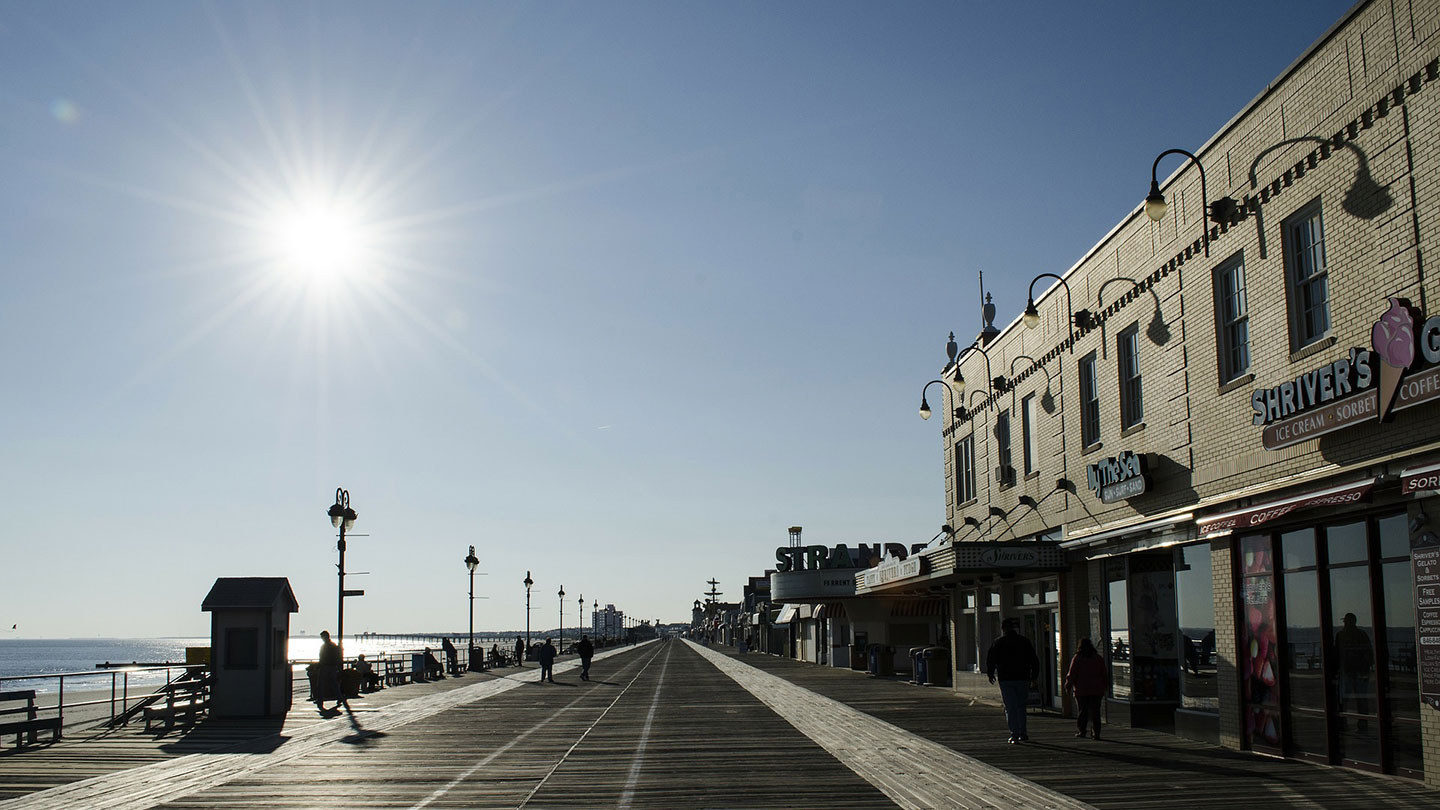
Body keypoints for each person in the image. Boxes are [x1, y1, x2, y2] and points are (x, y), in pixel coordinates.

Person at [986, 617, 1039, 743]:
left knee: (1010, 707)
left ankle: (1014, 733)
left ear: (1003, 629)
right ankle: (1023, 732)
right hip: (1023, 677)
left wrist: (990, 674)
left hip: (1006, 678)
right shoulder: (1024, 641)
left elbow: (991, 660)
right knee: (1021, 706)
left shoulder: (998, 643)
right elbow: (1034, 660)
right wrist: (1034, 676)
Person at [1334, 612, 1374, 727]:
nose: (1345, 623)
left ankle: (1345, 722)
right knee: (1359, 699)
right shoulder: (1361, 634)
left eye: (1346, 621)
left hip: (1349, 672)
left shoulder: (1341, 635)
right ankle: (1361, 722)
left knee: (1345, 699)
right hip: (1355, 672)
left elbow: (1336, 654)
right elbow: (1369, 653)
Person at [1064, 638, 1108, 740]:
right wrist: (1105, 685)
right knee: (1095, 712)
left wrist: (1068, 685)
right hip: (1096, 689)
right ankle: (1096, 733)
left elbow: (1072, 674)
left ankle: (1082, 731)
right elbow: (1104, 673)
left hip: (1081, 690)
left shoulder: (1077, 658)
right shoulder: (1098, 658)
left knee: (1082, 711)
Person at [317, 630, 345, 711]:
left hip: (325, 666)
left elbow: (322, 657)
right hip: (333, 666)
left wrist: (319, 665)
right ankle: (339, 697)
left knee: (321, 685)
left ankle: (320, 701)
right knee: (333, 683)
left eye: (322, 637)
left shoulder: (325, 646)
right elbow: (337, 656)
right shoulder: (333, 646)